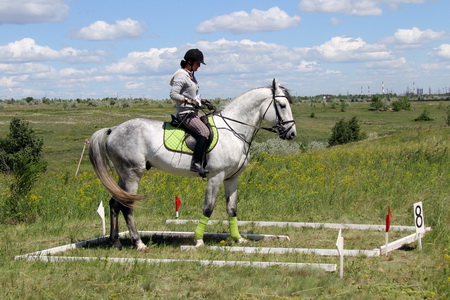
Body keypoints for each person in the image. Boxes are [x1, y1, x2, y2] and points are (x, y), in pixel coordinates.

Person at [169, 49, 212, 177]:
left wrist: (203, 101)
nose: (199, 66)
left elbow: (194, 95)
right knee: (204, 132)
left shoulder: (190, 76)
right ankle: (196, 163)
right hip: (185, 113)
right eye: (198, 63)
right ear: (190, 61)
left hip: (193, 111)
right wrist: (188, 101)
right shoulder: (181, 76)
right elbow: (173, 94)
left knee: (211, 122)